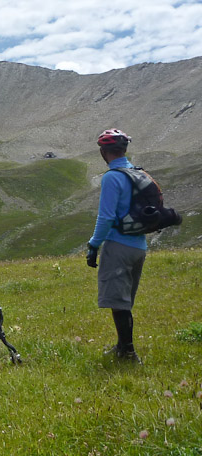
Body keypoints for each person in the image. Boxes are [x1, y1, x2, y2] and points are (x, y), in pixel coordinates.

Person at [86, 128, 146, 364]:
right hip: (139, 246)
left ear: (104, 152)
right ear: (125, 150)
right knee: (124, 300)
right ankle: (122, 347)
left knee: (117, 301)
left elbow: (106, 217)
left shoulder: (112, 177)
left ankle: (129, 353)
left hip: (118, 245)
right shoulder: (136, 173)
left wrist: (93, 244)